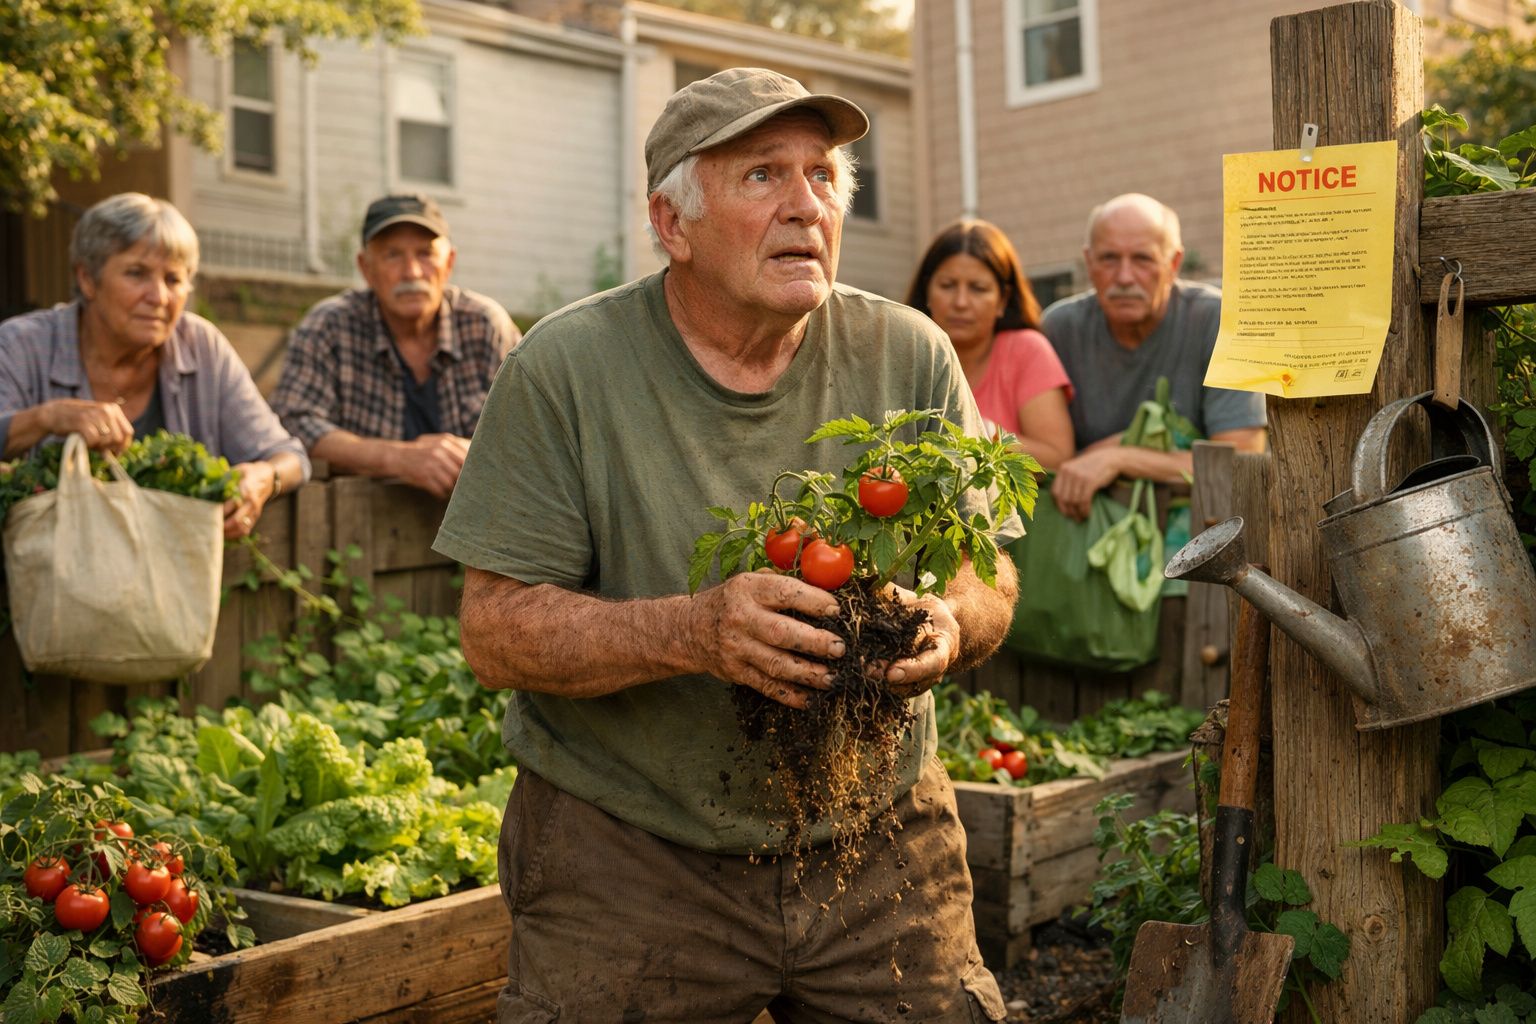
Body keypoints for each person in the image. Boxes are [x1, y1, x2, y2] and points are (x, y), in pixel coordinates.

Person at [433, 68, 1016, 1022]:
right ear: (673, 224)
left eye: (822, 176)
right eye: (761, 177)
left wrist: (952, 618)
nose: (806, 205)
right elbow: (494, 630)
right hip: (630, 854)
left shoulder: (908, 353)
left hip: (877, 840)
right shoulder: (565, 372)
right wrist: (694, 632)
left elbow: (983, 558)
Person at [0, 192, 309, 539]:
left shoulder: (202, 346)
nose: (159, 297)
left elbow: (289, 456)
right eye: (136, 273)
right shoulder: (21, 345)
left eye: (173, 280)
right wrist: (47, 417)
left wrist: (264, 478)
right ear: (87, 279)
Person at [269, 193, 519, 498]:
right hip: (356, 529)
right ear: (366, 268)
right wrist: (398, 458)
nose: (412, 272)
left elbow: (534, 434)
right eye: (392, 255)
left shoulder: (486, 326)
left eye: (425, 254)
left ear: (449, 263)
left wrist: (476, 455)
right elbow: (292, 425)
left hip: (479, 533)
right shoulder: (329, 327)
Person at [1042, 193, 1267, 520]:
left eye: (1143, 259)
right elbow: (1044, 456)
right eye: (1108, 259)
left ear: (1173, 264)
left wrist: (1118, 457)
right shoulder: (1059, 330)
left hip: (1202, 530)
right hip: (1085, 530)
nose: (1124, 277)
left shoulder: (1218, 320)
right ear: (1088, 263)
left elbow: (1240, 458)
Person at [906, 219, 1075, 469]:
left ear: (1002, 299)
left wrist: (977, 432)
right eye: (947, 286)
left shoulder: (1027, 350)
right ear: (927, 292)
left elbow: (1057, 457)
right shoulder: (903, 351)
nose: (961, 302)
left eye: (978, 288)